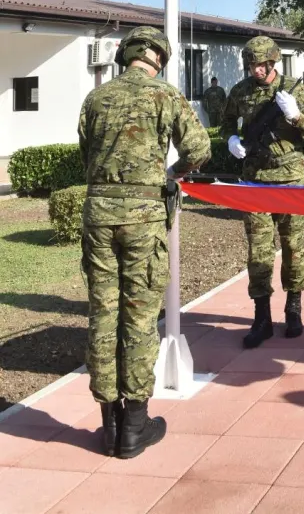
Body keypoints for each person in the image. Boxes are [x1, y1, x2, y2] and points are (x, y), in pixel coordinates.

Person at [79, 26, 210, 458]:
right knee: (138, 318)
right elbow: (199, 150)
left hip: (98, 216)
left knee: (103, 314)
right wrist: (169, 175)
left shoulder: (96, 97)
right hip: (143, 219)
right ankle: (133, 429)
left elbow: (88, 154)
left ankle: (109, 423)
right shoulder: (165, 95)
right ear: (158, 58)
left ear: (125, 55)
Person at [220, 35, 304, 348]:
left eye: (261, 64)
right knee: (259, 251)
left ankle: (293, 308)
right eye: (251, 65)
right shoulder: (240, 91)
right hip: (256, 181)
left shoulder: (293, 89)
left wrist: (297, 116)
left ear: (273, 61)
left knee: (293, 246)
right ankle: (261, 316)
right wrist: (231, 140)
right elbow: (225, 123)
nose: (256, 70)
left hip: (291, 179)